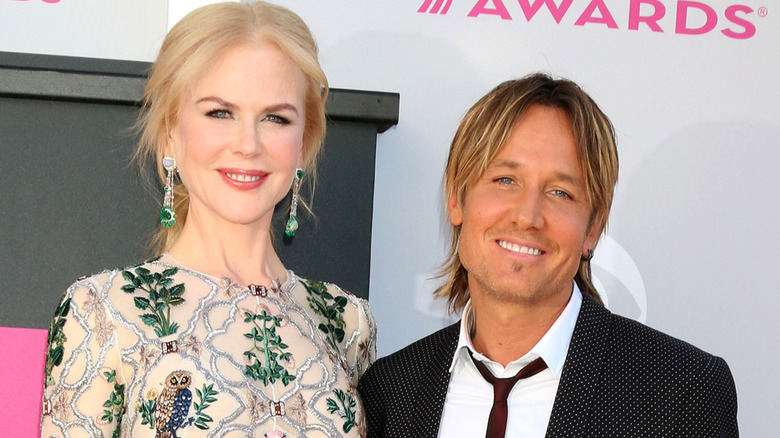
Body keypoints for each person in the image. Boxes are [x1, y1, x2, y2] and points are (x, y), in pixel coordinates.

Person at [40, 2, 375, 437]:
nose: (247, 144)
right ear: (170, 132)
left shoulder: (346, 323)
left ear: (303, 141)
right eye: (220, 112)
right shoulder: (102, 313)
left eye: (275, 118)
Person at [358, 74, 738, 437]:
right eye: (505, 180)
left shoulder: (682, 390)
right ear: (456, 198)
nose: (527, 216)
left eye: (560, 192)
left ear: (592, 228)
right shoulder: (390, 391)